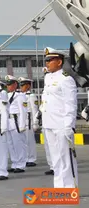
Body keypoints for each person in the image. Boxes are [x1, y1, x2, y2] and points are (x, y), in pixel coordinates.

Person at [42, 47, 78, 188]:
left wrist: (69, 125)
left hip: (62, 124)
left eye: (50, 60)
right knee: (55, 159)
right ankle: (59, 187)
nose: (47, 63)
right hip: (49, 123)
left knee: (66, 158)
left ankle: (69, 188)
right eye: (46, 60)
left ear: (59, 61)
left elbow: (71, 104)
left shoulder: (66, 79)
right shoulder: (47, 78)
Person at [5, 75, 27, 173]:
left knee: (18, 144)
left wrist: (22, 124)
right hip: (9, 122)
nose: (8, 86)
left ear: (15, 84)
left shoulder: (20, 95)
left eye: (10, 84)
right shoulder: (8, 95)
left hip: (16, 121)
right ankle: (15, 163)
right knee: (11, 144)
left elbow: (23, 111)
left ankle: (21, 164)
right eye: (7, 84)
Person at [18, 77, 38, 167]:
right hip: (22, 120)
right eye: (21, 85)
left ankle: (31, 158)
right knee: (23, 141)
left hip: (29, 120)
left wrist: (35, 123)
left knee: (30, 141)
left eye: (23, 85)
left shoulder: (31, 96)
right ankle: (25, 158)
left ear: (28, 86)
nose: (21, 87)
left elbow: (35, 110)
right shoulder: (20, 96)